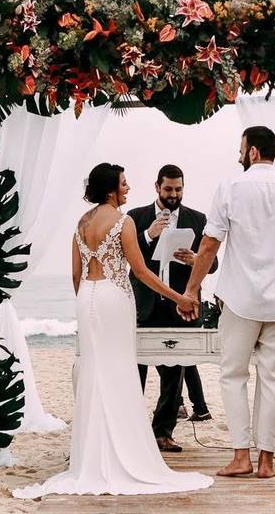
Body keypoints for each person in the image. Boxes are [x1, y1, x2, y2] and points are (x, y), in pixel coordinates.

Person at [13, 163, 212, 498]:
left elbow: (76, 274)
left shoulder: (82, 222)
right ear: (110, 189)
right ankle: (124, 452)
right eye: (123, 183)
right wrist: (180, 296)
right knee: (119, 373)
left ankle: (91, 455)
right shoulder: (124, 221)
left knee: (94, 372)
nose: (128, 188)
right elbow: (142, 272)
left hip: (88, 299)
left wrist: (86, 301)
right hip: (114, 299)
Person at [184, 126, 275, 479]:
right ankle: (267, 462)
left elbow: (210, 243)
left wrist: (193, 289)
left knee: (233, 376)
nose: (238, 155)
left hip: (240, 299)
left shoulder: (230, 187)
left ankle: (241, 456)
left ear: (253, 152)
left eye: (241, 149)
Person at [128, 164, 217, 451]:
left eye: (178, 189)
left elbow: (212, 263)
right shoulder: (135, 218)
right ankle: (131, 429)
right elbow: (126, 259)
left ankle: (162, 432)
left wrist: (195, 261)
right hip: (143, 305)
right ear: (157, 187)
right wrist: (148, 236)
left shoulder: (198, 219)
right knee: (135, 369)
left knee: (176, 371)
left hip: (183, 305)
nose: (174, 194)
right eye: (168, 189)